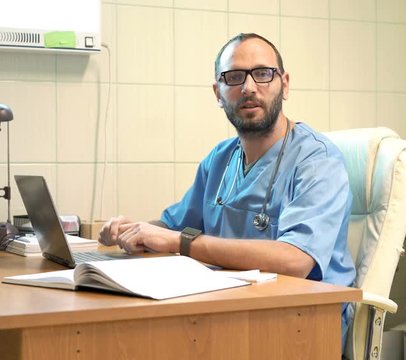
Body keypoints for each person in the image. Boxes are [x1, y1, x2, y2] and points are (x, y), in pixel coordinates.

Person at [99, 33, 355, 347]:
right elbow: (176, 226)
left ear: (284, 84)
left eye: (263, 74)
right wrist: (135, 229)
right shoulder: (221, 157)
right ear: (218, 93)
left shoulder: (317, 160)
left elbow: (296, 261)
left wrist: (181, 242)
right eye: (234, 77)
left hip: (303, 323)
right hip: (229, 308)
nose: (248, 87)